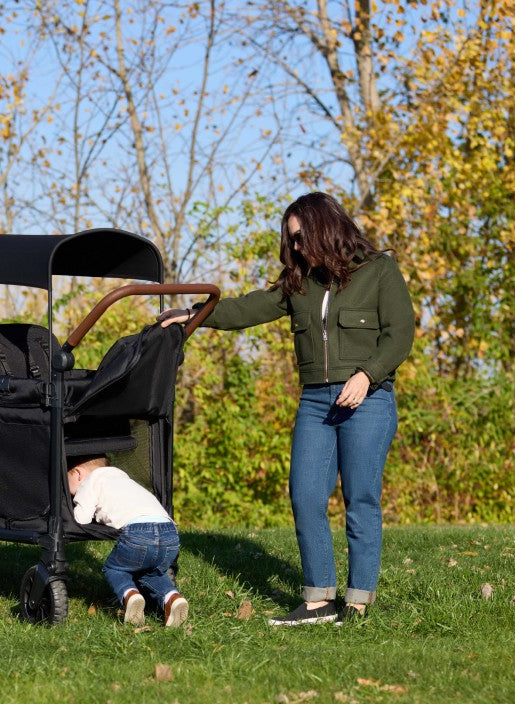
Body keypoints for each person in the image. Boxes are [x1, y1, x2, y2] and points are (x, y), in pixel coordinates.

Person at [160, 191, 414, 625]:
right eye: (292, 240)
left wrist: (367, 374)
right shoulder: (300, 281)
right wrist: (191, 316)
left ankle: (357, 602)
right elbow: (248, 307)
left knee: (361, 498)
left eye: (300, 238)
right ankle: (318, 600)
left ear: (324, 228)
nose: (295, 247)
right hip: (316, 401)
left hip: (367, 400)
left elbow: (400, 334)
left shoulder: (379, 271)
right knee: (306, 495)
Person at [68, 455, 189, 628]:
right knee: (151, 573)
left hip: (139, 532)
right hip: (170, 532)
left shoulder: (91, 481)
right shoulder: (124, 479)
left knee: (113, 569)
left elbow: (81, 519)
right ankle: (173, 598)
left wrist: (74, 507)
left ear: (78, 474)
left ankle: (130, 596)